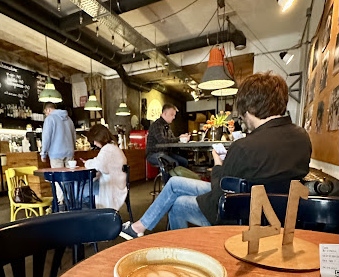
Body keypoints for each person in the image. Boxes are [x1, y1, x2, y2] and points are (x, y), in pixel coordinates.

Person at [120, 72, 312, 240]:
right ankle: (139, 227)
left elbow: (220, 191)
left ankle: (182, 253)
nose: (243, 118)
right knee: (174, 183)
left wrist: (218, 164)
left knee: (178, 204)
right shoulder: (302, 137)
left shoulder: (245, 147)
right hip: (276, 213)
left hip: (240, 216)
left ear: (250, 108)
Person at [81, 124, 127, 211]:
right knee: (81, 187)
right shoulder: (113, 147)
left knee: (78, 189)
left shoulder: (107, 149)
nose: (94, 143)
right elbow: (101, 163)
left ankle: (88, 215)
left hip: (110, 186)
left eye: (95, 140)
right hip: (117, 184)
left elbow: (99, 165)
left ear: (100, 137)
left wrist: (87, 163)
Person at [41, 102, 76, 205]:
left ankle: (61, 203)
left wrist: (43, 153)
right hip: (69, 153)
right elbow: (74, 136)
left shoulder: (50, 119)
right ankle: (71, 202)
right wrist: (72, 148)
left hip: (56, 154)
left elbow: (46, 137)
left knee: (58, 180)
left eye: (45, 113)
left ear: (48, 110)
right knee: (69, 179)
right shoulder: (69, 119)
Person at [146, 103, 190, 168]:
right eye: (172, 115)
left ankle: (178, 175)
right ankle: (168, 175)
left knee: (184, 162)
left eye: (174, 115)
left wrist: (181, 138)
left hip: (165, 153)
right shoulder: (156, 125)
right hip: (153, 154)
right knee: (174, 163)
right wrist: (179, 139)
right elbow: (162, 141)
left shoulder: (167, 126)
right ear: (165, 113)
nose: (174, 117)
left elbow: (172, 139)